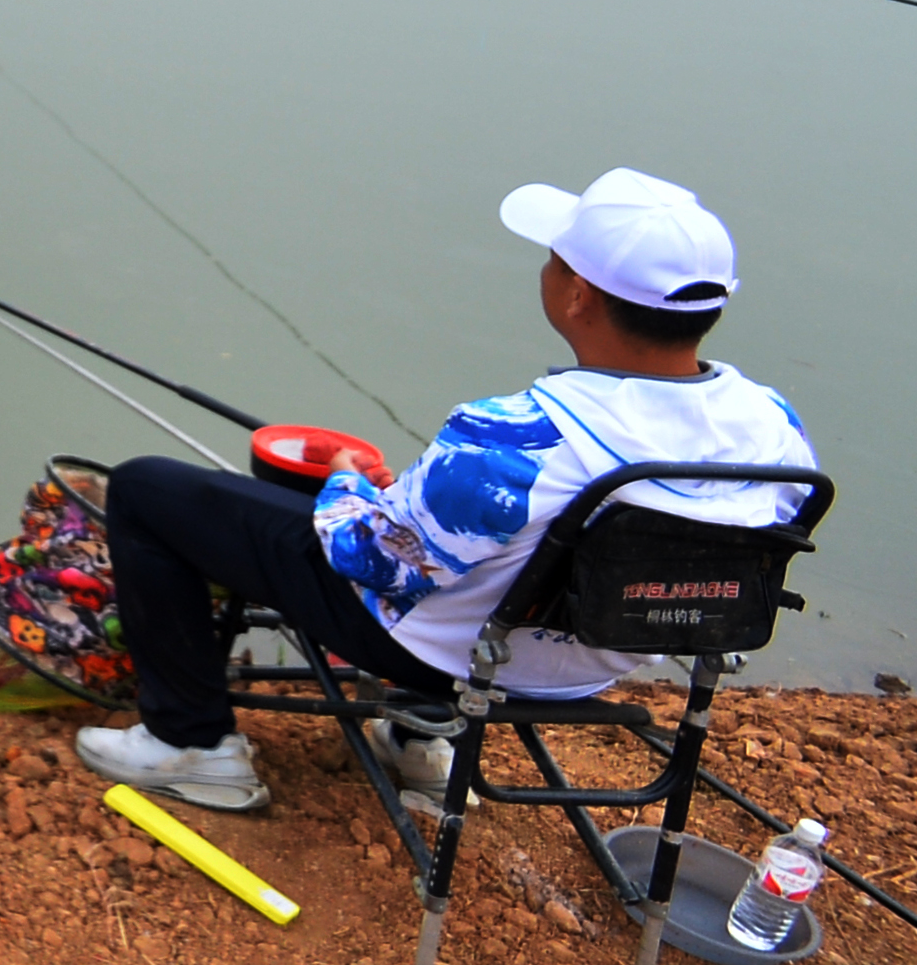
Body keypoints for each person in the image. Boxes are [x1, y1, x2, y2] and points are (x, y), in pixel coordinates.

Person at [76, 168, 816, 815]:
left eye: (553, 259)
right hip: (600, 659)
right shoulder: (777, 432)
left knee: (148, 489)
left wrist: (346, 479)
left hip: (451, 657)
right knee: (472, 543)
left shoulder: (515, 437)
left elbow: (370, 560)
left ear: (578, 295)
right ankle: (418, 736)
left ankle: (191, 743)